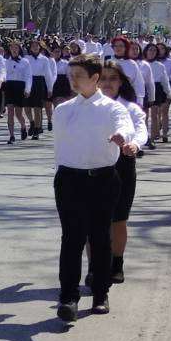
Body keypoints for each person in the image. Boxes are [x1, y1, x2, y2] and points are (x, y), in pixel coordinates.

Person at [51, 53, 133, 321]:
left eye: (79, 76)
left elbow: (125, 126)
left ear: (95, 78)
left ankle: (100, 292)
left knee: (100, 237)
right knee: (72, 239)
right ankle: (69, 296)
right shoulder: (63, 110)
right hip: (69, 180)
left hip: (102, 178)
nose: (73, 80)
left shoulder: (112, 109)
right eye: (70, 75)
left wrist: (123, 138)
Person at [98, 60, 146, 287]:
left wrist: (135, 144)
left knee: (118, 220)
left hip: (122, 167)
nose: (107, 83)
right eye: (103, 78)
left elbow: (141, 130)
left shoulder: (131, 108)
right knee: (94, 221)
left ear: (121, 82)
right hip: (94, 166)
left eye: (113, 79)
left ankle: (116, 263)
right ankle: (95, 266)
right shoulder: (90, 107)